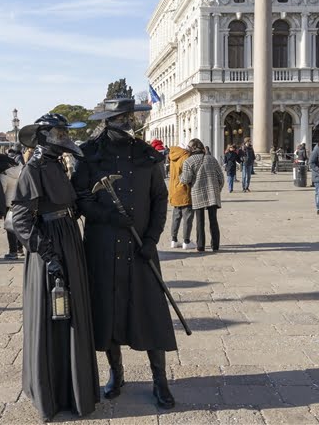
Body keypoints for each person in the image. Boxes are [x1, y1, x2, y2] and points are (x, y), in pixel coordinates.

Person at [71, 97, 176, 409]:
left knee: (150, 313)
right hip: (102, 248)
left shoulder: (147, 156)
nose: (126, 122)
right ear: (108, 119)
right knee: (108, 312)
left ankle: (160, 380)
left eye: (129, 116)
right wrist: (106, 216)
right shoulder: (88, 155)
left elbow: (160, 198)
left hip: (139, 249)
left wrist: (152, 238)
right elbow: (79, 199)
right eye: (119, 117)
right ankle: (116, 374)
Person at [11, 113, 99, 422]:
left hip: (68, 243)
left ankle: (73, 388)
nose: (64, 136)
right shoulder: (33, 169)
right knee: (56, 317)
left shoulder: (56, 166)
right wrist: (49, 255)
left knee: (71, 315)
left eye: (65, 131)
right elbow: (20, 221)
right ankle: (54, 393)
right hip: (50, 249)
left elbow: (67, 205)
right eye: (59, 132)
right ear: (45, 135)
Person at [181, 138, 224, 252]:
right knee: (213, 219)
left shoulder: (188, 161)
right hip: (213, 193)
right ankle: (215, 245)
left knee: (200, 221)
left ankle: (201, 245)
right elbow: (221, 178)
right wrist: (216, 190)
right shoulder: (212, 159)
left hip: (197, 192)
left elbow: (185, 179)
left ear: (192, 149)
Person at [0, 153, 24, 259]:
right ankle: (20, 248)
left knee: (10, 229)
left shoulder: (4, 175)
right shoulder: (21, 168)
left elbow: (2, 192)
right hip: (21, 202)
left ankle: (13, 252)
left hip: (9, 205)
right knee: (20, 226)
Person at [168, 143, 195, 249]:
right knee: (187, 217)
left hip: (173, 189)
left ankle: (173, 240)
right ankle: (186, 241)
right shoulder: (185, 156)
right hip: (183, 189)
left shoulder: (172, 155)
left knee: (176, 217)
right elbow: (187, 175)